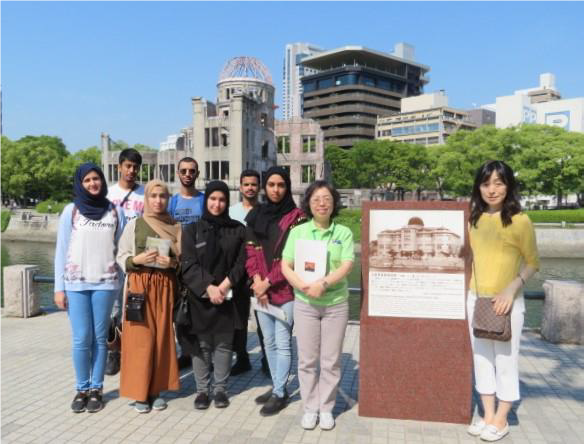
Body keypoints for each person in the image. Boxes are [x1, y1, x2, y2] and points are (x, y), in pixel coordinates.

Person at [466, 160, 539, 442]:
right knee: (482, 360)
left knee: (506, 361)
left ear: (509, 186)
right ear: (479, 187)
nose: (492, 189)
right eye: (486, 184)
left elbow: (533, 263)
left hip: (508, 303)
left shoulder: (520, 220)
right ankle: (486, 414)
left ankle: (502, 418)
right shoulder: (475, 218)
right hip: (475, 299)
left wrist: (511, 290)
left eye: (498, 182)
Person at [281, 181, 354, 431]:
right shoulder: (298, 232)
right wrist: (303, 286)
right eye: (316, 199)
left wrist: (323, 283)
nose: (322, 203)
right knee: (307, 360)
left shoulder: (343, 232)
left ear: (334, 203)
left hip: (335, 303)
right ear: (308, 205)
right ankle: (310, 406)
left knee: (330, 360)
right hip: (305, 304)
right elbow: (285, 265)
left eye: (326, 199)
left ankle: (327, 407)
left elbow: (346, 265)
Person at [54, 163, 125, 413]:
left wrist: (122, 288)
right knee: (81, 339)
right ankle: (81, 388)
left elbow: (122, 251)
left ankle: (97, 388)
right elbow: (61, 251)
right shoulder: (70, 212)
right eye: (87, 180)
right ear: (80, 184)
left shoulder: (114, 211)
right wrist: (59, 288)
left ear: (102, 181)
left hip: (106, 285)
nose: (93, 183)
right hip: (76, 284)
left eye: (96, 179)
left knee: (99, 339)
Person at [179, 181, 247, 410]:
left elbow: (242, 263)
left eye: (221, 199)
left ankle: (220, 390)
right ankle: (201, 391)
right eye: (212, 199)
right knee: (202, 345)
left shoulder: (237, 229)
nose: (217, 204)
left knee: (223, 345)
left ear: (227, 202)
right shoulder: (193, 229)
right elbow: (188, 263)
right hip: (200, 297)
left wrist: (225, 285)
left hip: (228, 296)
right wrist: (209, 287)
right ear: (206, 200)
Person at [116, 180, 181, 413]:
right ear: (146, 199)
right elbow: (121, 255)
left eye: (162, 196)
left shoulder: (176, 226)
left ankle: (156, 390)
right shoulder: (135, 225)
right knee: (139, 340)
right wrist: (136, 260)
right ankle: (139, 392)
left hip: (164, 287)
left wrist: (171, 263)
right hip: (138, 287)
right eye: (153, 195)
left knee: (162, 338)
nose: (157, 200)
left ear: (168, 199)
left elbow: (183, 262)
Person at [245, 166, 306, 416]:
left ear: (287, 187)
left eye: (281, 185)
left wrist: (267, 282)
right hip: (261, 292)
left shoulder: (297, 217)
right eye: (271, 184)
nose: (276, 189)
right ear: (264, 187)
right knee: (267, 341)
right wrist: (257, 280)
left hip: (285, 291)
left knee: (282, 342)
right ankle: (277, 385)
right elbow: (250, 252)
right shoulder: (255, 215)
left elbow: (292, 257)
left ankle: (280, 394)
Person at [105, 148, 145, 375]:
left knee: (135, 305)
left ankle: (132, 350)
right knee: (114, 307)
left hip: (136, 258)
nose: (131, 171)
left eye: (135, 167)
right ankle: (114, 351)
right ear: (119, 166)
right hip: (113, 258)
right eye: (128, 166)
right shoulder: (109, 194)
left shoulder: (144, 194)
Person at [229, 169, 268, 376]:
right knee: (239, 317)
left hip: (261, 274)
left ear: (259, 187)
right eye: (246, 184)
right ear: (240, 186)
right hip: (239, 272)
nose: (250, 188)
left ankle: (267, 359)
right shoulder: (232, 211)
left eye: (254, 184)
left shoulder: (266, 212)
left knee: (264, 316)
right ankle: (242, 357)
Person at [168, 157, 204, 226]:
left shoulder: (206, 201)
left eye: (192, 171)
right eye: (183, 171)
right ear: (178, 173)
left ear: (197, 174)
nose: (187, 174)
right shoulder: (171, 203)